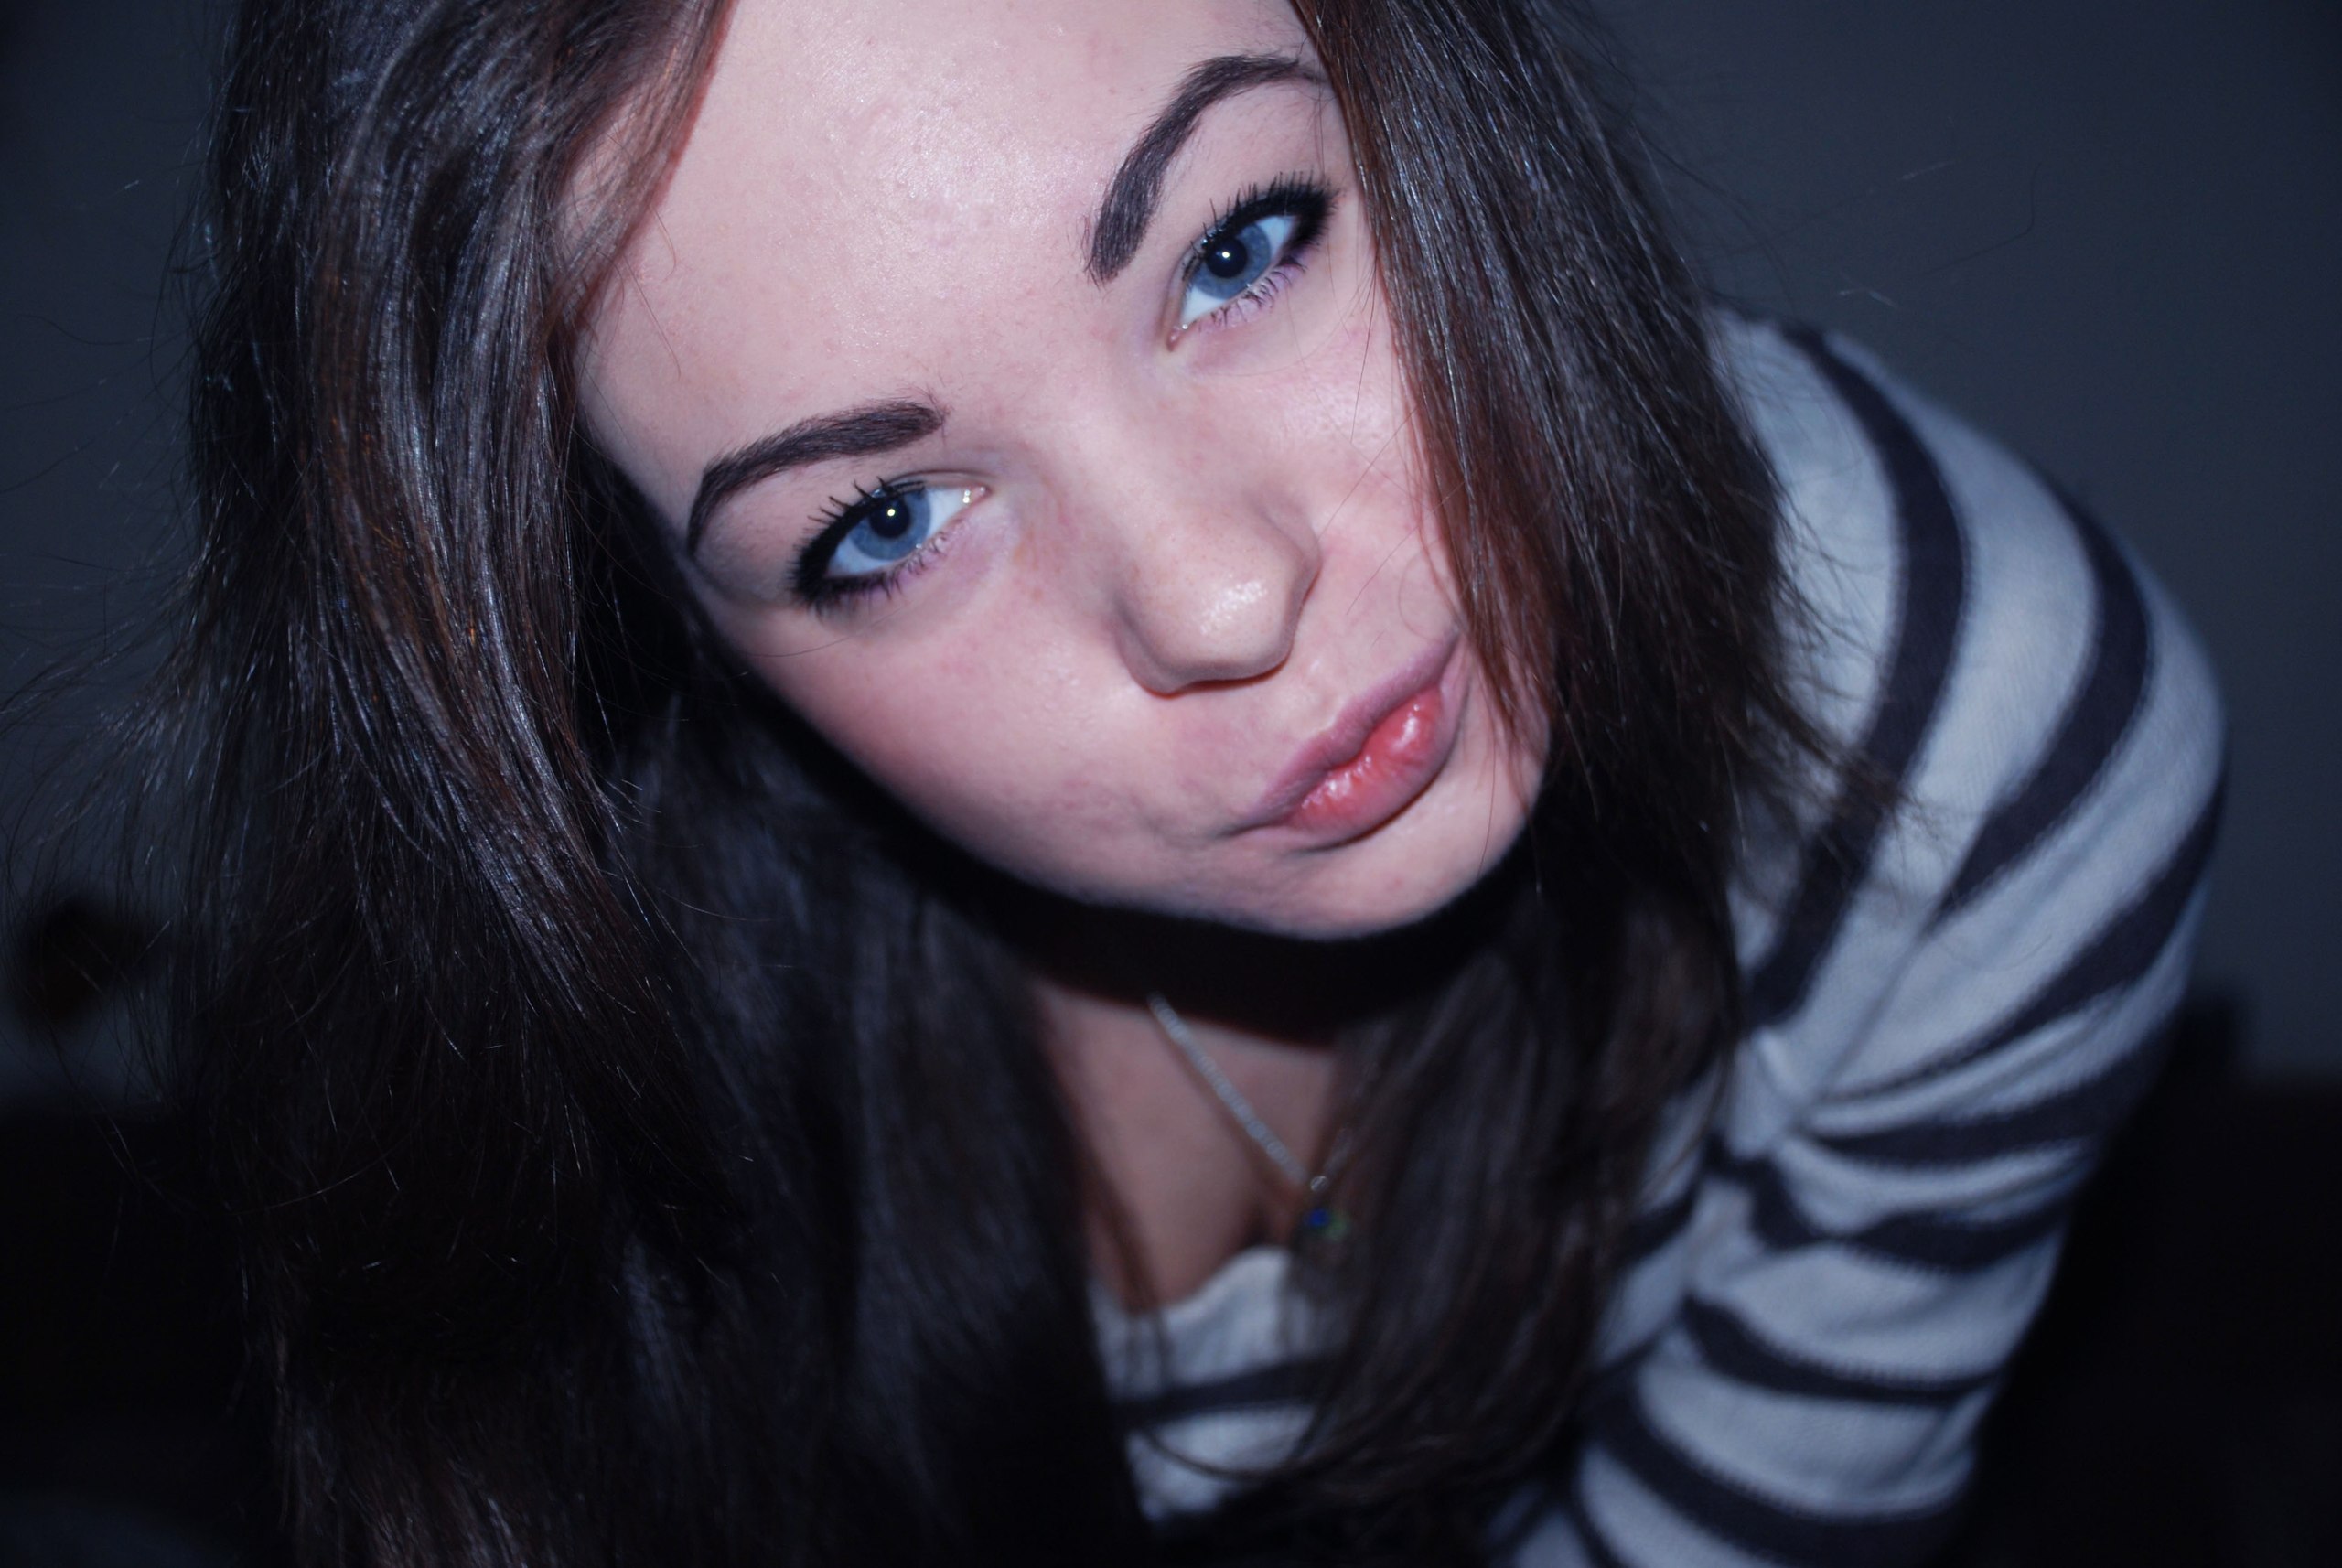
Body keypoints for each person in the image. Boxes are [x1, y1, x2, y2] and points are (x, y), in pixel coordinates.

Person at [158, 0, 2224, 1563]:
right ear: (674, 647)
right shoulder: (573, 1085)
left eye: (1243, 245)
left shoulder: (1966, 739)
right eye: (884, 523)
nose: (1223, 594)